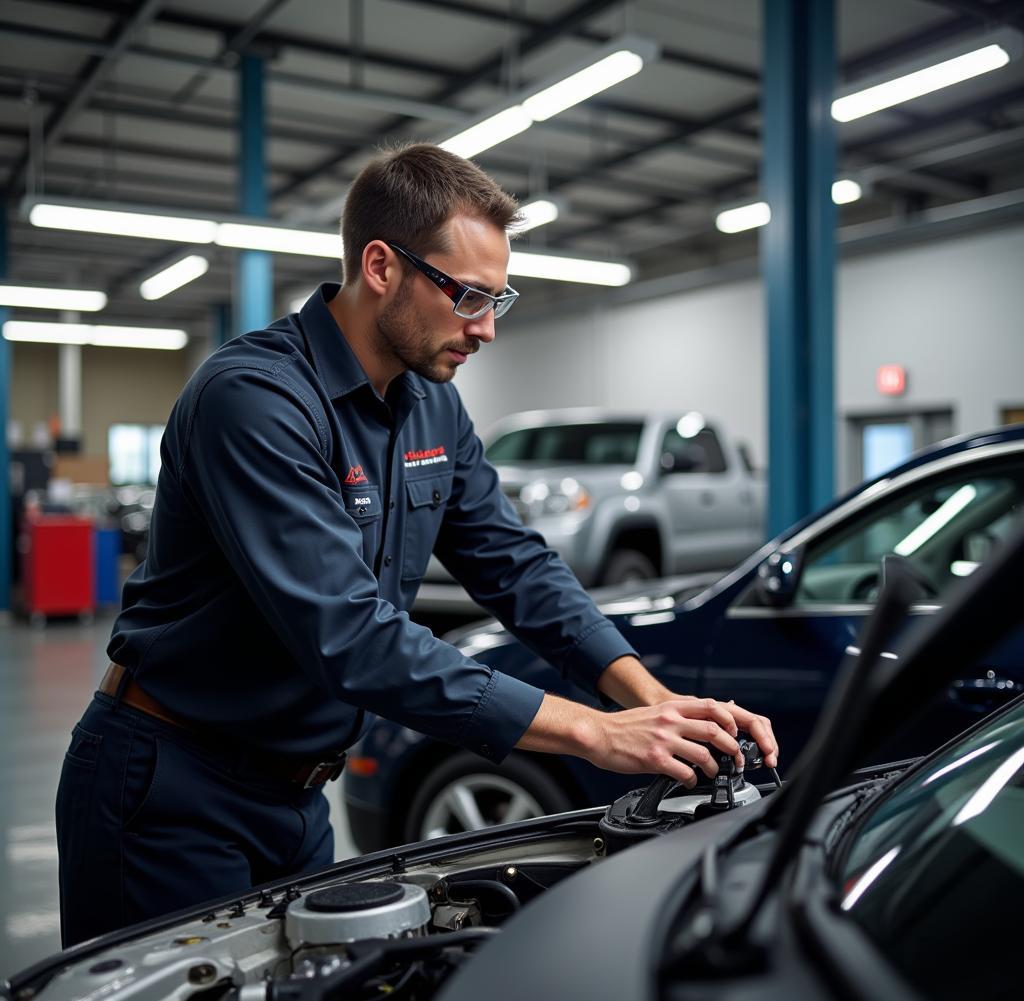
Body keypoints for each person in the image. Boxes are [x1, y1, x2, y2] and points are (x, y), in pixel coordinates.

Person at [55, 143, 777, 947]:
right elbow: (352, 636)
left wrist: (645, 696)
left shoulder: (432, 406)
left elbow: (515, 565)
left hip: (297, 797)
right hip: (170, 789)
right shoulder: (253, 399)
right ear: (380, 266)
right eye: (468, 295)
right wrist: (592, 732)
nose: (486, 329)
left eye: (500, 300)